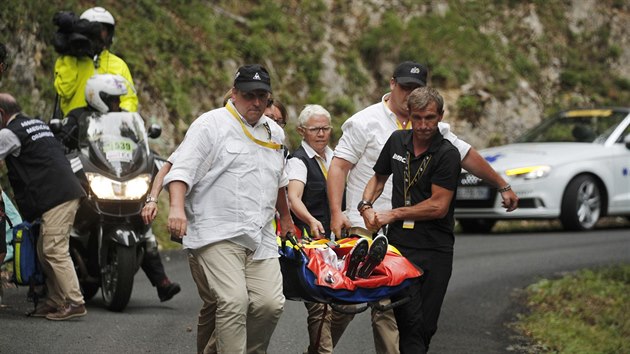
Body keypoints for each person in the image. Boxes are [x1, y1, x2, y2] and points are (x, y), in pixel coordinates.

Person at [327, 61, 519, 353]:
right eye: (406, 88)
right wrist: (337, 212)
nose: (410, 94)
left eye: (417, 88)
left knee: (393, 313)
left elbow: (467, 155)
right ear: (392, 84)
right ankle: (320, 348)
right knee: (345, 304)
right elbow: (339, 167)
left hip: (400, 229)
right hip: (362, 223)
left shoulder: (436, 131)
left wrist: (502, 184)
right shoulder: (366, 122)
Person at [164, 64, 294, 353]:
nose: (257, 102)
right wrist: (176, 209)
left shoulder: (274, 132)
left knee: (270, 304)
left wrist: (285, 217)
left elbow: (279, 180)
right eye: (249, 95)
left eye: (263, 96)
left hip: (260, 233)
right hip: (217, 231)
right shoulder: (210, 125)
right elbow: (180, 171)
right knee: (234, 302)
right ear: (234, 93)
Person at [59, 73, 180, 302]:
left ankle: (162, 282)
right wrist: (66, 152)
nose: (117, 103)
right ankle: (50, 282)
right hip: (90, 180)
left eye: (118, 99)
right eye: (112, 98)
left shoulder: (126, 119)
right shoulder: (77, 117)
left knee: (142, 224)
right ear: (97, 96)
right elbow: (61, 145)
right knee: (64, 222)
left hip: (121, 178)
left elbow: (138, 146)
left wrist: (150, 159)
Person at [361, 87, 461, 353]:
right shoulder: (396, 141)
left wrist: (393, 214)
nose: (423, 125)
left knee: (425, 327)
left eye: (429, 118)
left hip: (436, 248)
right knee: (409, 323)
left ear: (440, 116)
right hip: (401, 247)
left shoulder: (447, 154)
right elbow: (378, 178)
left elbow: (439, 206)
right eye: (417, 118)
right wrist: (366, 205)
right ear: (408, 116)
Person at [0, 93, 86, 320]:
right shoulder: (36, 124)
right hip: (63, 192)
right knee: (43, 249)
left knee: (54, 249)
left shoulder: (10, 133)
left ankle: (75, 302)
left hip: (57, 197)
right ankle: (55, 301)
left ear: (1, 114)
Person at [286, 104, 355, 353]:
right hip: (309, 246)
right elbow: (293, 198)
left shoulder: (336, 157)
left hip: (337, 245)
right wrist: (311, 219)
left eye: (326, 128)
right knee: (319, 307)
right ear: (302, 131)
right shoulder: (298, 161)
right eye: (315, 129)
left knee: (347, 306)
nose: (322, 134)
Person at [54, 6, 137, 117]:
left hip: (108, 127)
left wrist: (122, 116)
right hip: (74, 127)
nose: (98, 34)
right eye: (94, 30)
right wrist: (71, 55)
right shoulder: (69, 60)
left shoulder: (119, 65)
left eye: (103, 30)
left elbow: (129, 98)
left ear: (109, 34)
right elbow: (65, 92)